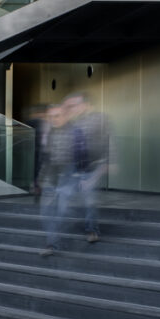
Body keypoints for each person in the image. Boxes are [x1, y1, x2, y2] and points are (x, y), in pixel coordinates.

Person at [63, 92, 110, 243]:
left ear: (85, 105)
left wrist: (105, 164)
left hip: (90, 166)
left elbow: (106, 143)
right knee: (64, 197)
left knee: (89, 198)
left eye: (74, 105)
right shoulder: (71, 122)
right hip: (73, 166)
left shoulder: (98, 120)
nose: (72, 108)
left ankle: (92, 230)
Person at [38, 104, 75, 256]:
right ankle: (52, 243)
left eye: (57, 116)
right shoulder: (51, 133)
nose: (53, 119)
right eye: (51, 116)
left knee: (62, 210)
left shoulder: (75, 132)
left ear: (66, 116)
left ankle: (55, 243)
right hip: (52, 176)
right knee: (46, 211)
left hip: (69, 175)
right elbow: (46, 157)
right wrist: (40, 178)